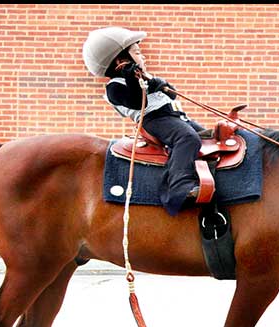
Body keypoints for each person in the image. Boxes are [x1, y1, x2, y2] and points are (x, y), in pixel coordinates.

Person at [82, 27, 203, 216]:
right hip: (155, 120)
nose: (144, 57)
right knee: (187, 138)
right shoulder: (114, 87)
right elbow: (137, 101)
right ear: (121, 61)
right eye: (137, 53)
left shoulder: (141, 79)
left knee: (207, 137)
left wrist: (159, 83)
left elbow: (169, 92)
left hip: (175, 116)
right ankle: (179, 187)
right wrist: (133, 78)